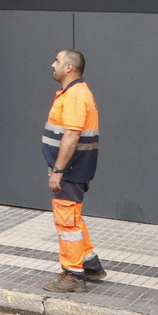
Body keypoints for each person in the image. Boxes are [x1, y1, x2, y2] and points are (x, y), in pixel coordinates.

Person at [42, 49, 107, 292]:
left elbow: (71, 135)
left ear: (69, 67)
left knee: (67, 221)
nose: (53, 64)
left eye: (57, 61)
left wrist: (58, 170)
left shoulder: (76, 96)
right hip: (73, 168)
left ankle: (73, 275)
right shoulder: (74, 93)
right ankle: (90, 264)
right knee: (73, 218)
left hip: (70, 169)